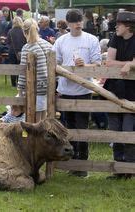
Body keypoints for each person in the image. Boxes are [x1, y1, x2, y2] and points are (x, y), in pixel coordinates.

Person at [52, 9, 101, 177]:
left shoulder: (91, 39)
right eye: (74, 20)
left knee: (83, 128)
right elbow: (54, 63)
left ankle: (83, 166)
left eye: (79, 20)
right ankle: (72, 163)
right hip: (65, 90)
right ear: (68, 23)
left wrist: (84, 66)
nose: (78, 23)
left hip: (84, 89)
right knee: (68, 129)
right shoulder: (61, 41)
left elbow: (97, 64)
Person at [104, 11, 135, 179]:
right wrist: (129, 63)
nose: (116, 27)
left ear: (128, 26)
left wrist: (130, 65)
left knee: (128, 130)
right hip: (114, 90)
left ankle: (129, 170)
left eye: (119, 24)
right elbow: (109, 62)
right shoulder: (115, 38)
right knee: (115, 130)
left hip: (132, 92)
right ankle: (118, 170)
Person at [17, 18, 52, 121]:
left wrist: (20, 89)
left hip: (34, 88)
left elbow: (23, 71)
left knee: (33, 120)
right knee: (43, 118)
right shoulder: (48, 45)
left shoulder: (27, 48)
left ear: (24, 32)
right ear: (37, 29)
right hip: (48, 86)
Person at [6, 16, 26, 87]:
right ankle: (20, 82)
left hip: (12, 51)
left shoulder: (10, 31)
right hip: (22, 51)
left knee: (13, 67)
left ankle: (13, 84)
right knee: (21, 67)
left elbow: (7, 42)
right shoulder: (24, 31)